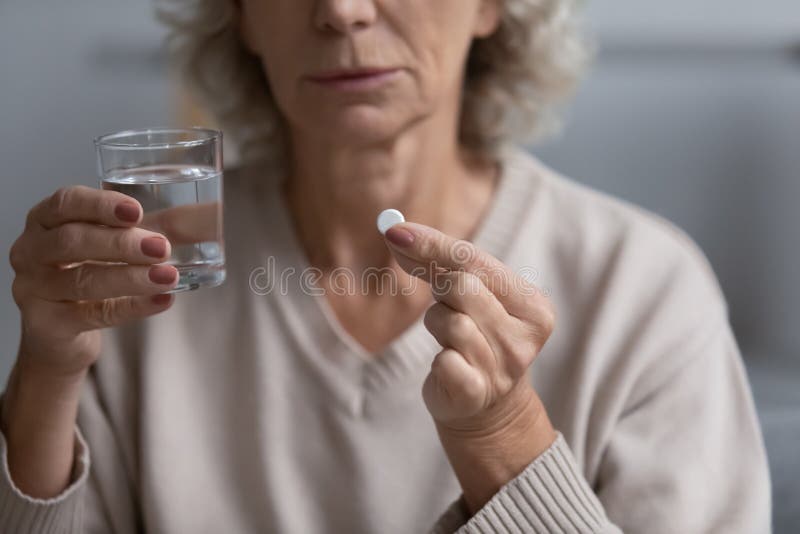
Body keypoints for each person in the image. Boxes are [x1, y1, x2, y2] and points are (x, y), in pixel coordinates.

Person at [0, 0, 771, 532]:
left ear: (490, 6)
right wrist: (47, 367)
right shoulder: (146, 278)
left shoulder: (645, 291)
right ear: (241, 16)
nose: (341, 9)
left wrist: (504, 439)